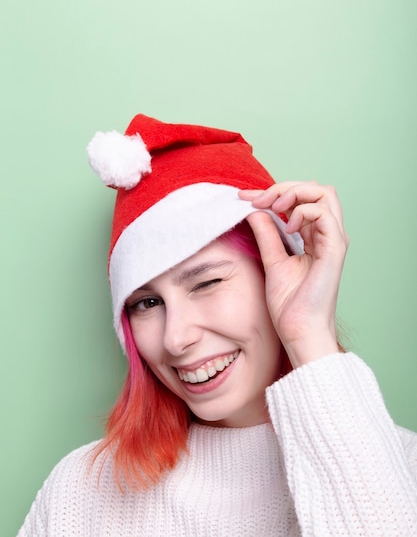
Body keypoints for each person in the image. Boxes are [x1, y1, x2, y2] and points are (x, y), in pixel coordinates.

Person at [18, 114, 417, 536]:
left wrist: (309, 336)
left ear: (276, 269)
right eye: (147, 302)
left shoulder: (399, 471)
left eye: (206, 282)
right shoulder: (81, 493)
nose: (175, 338)